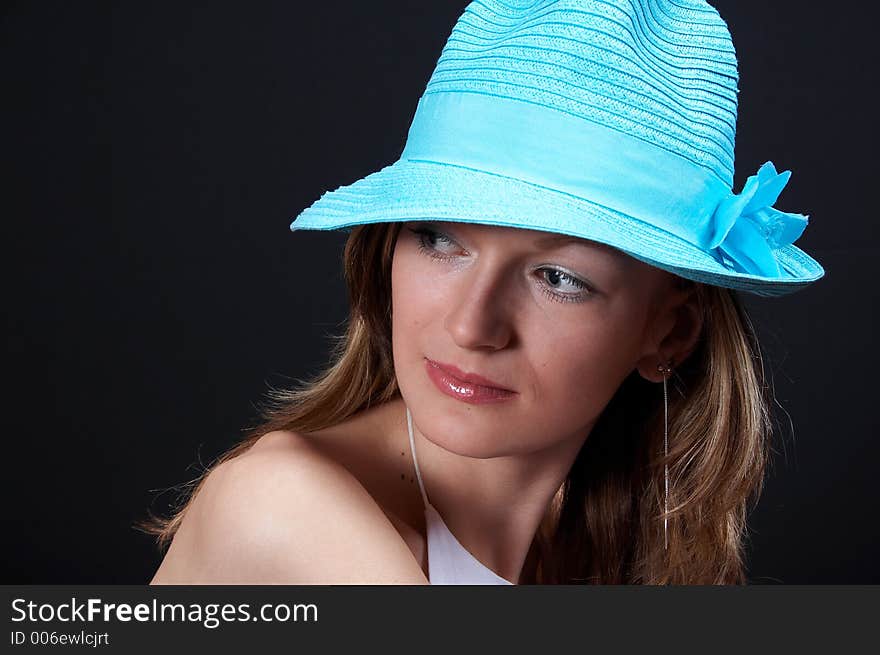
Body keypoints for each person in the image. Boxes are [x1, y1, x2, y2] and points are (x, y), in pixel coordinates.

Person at [141, 0, 825, 585]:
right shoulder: (280, 506)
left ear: (669, 333)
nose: (473, 325)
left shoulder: (584, 546)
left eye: (558, 278)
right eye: (440, 240)